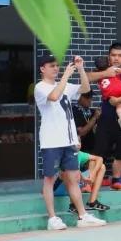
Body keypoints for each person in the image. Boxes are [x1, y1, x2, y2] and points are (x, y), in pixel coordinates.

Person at [34, 54, 105, 230]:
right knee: (50, 178)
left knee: (73, 178)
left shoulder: (64, 85)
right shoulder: (40, 87)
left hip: (68, 141)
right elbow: (54, 96)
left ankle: (82, 216)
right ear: (42, 69)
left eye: (57, 65)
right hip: (51, 141)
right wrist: (66, 75)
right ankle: (52, 218)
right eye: (52, 66)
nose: (56, 68)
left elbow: (85, 88)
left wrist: (80, 68)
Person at [89, 42, 121, 191]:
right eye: (113, 55)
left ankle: (116, 180)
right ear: (108, 57)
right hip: (106, 118)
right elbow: (87, 77)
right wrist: (106, 73)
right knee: (99, 151)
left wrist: (117, 100)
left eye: (120, 56)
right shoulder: (102, 70)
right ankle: (89, 183)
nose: (116, 58)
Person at [93, 55, 121, 132]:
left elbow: (98, 85)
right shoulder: (111, 68)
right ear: (108, 63)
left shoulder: (98, 74)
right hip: (120, 88)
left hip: (110, 92)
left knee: (118, 103)